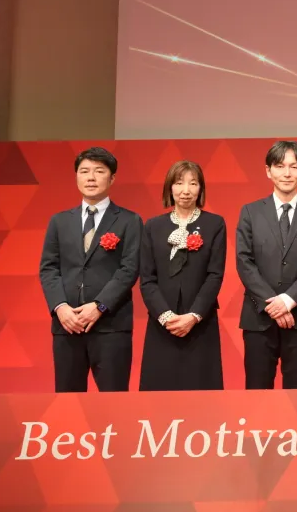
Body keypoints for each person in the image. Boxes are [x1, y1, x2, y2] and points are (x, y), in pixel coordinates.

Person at [37, 147, 141, 392]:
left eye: (99, 171)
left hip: (111, 326)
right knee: (68, 401)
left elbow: (129, 268)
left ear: (112, 178)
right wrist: (60, 308)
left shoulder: (129, 220)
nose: (91, 178)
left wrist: (99, 306)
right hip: (67, 325)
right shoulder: (59, 221)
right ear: (76, 176)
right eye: (84, 171)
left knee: (113, 402)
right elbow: (48, 268)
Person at [235, 140, 297, 389]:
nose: (287, 173)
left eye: (294, 166)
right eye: (280, 166)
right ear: (268, 171)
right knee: (257, 392)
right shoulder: (251, 212)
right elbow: (244, 261)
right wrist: (273, 304)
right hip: (258, 317)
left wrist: (288, 301)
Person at [138, 160, 226, 391]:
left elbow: (215, 275)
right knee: (159, 393)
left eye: (193, 183)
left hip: (200, 322)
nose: (186, 190)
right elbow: (147, 279)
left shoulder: (214, 224)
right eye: (179, 183)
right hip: (162, 323)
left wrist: (194, 316)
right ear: (170, 187)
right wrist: (165, 316)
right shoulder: (153, 226)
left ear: (201, 188)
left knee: (201, 391)